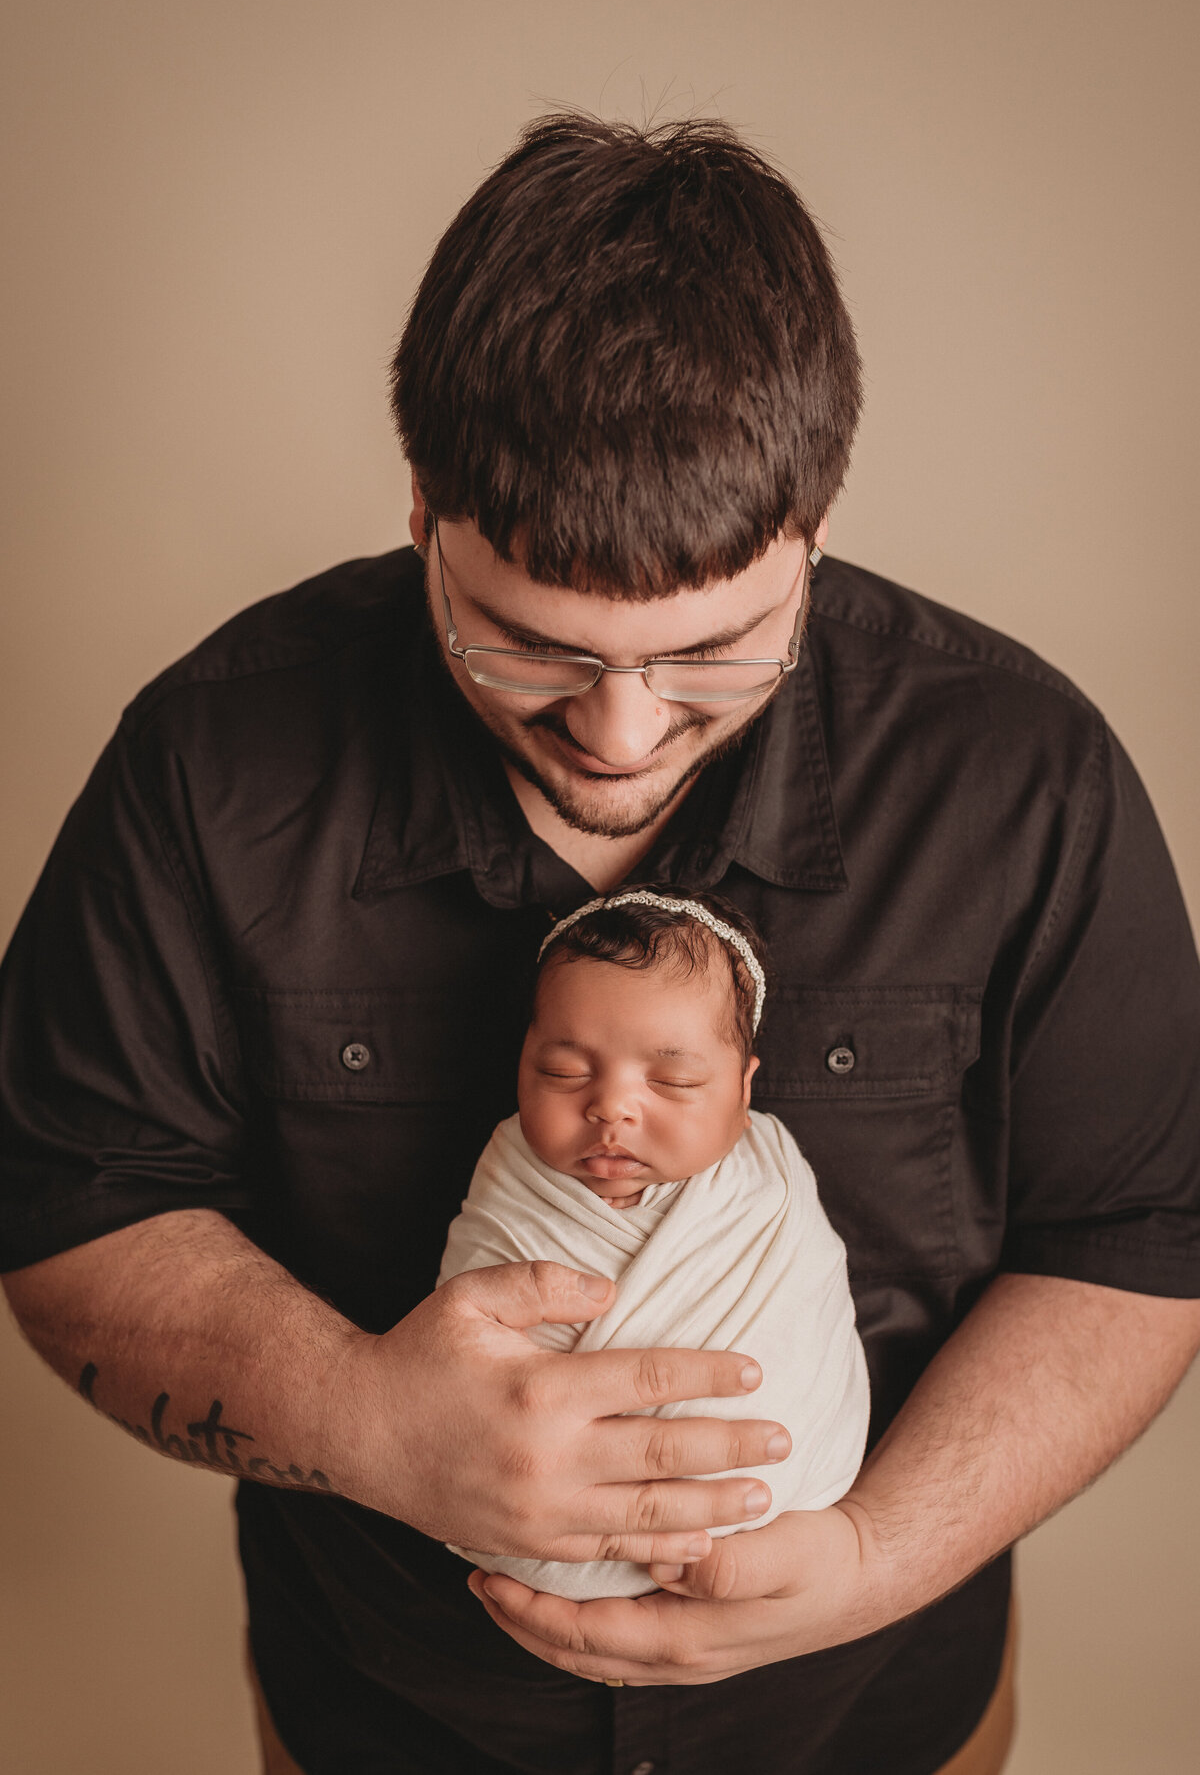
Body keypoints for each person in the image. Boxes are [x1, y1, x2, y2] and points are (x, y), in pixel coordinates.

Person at [1, 110, 1198, 1775]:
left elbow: (1134, 1233)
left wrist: (874, 1556)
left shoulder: (1022, 772)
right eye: (528, 647)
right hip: (385, 1724)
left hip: (877, 1725)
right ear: (423, 509)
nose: (625, 730)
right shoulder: (210, 764)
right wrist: (360, 1419)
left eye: (713, 655)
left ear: (815, 531)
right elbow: (70, 1199)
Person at [438, 886, 870, 1600]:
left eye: (673, 1080)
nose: (610, 1106)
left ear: (742, 1092)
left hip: (783, 1571)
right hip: (507, 1548)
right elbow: (461, 1374)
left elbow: (805, 1326)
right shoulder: (509, 1176)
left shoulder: (771, 1189)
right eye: (564, 1072)